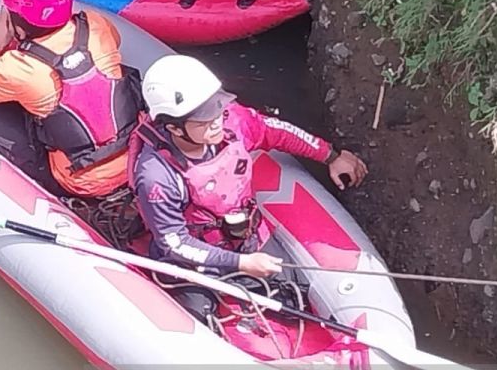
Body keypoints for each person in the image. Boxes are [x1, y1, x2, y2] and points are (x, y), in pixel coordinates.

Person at [129, 54, 369, 326]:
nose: (217, 120)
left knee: (297, 296)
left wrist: (331, 156)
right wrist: (241, 263)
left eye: (217, 109)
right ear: (174, 127)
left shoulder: (233, 122)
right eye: (204, 119)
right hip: (193, 261)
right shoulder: (156, 176)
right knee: (199, 316)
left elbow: (277, 131)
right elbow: (175, 243)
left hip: (247, 235)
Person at [0, 0, 143, 203]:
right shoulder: (96, 25)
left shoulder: (17, 67)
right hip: (136, 153)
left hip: (78, 180)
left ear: (20, 27)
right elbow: (116, 43)